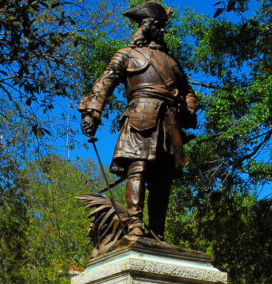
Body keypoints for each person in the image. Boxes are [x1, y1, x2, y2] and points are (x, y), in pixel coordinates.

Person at [78, 1, 196, 240]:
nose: (163, 31)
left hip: (168, 124)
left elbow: (189, 91)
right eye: (158, 26)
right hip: (140, 117)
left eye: (163, 27)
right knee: (137, 170)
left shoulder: (172, 62)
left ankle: (157, 230)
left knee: (162, 178)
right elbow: (105, 83)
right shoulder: (126, 55)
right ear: (147, 26)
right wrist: (93, 112)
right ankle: (134, 224)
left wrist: (188, 108)